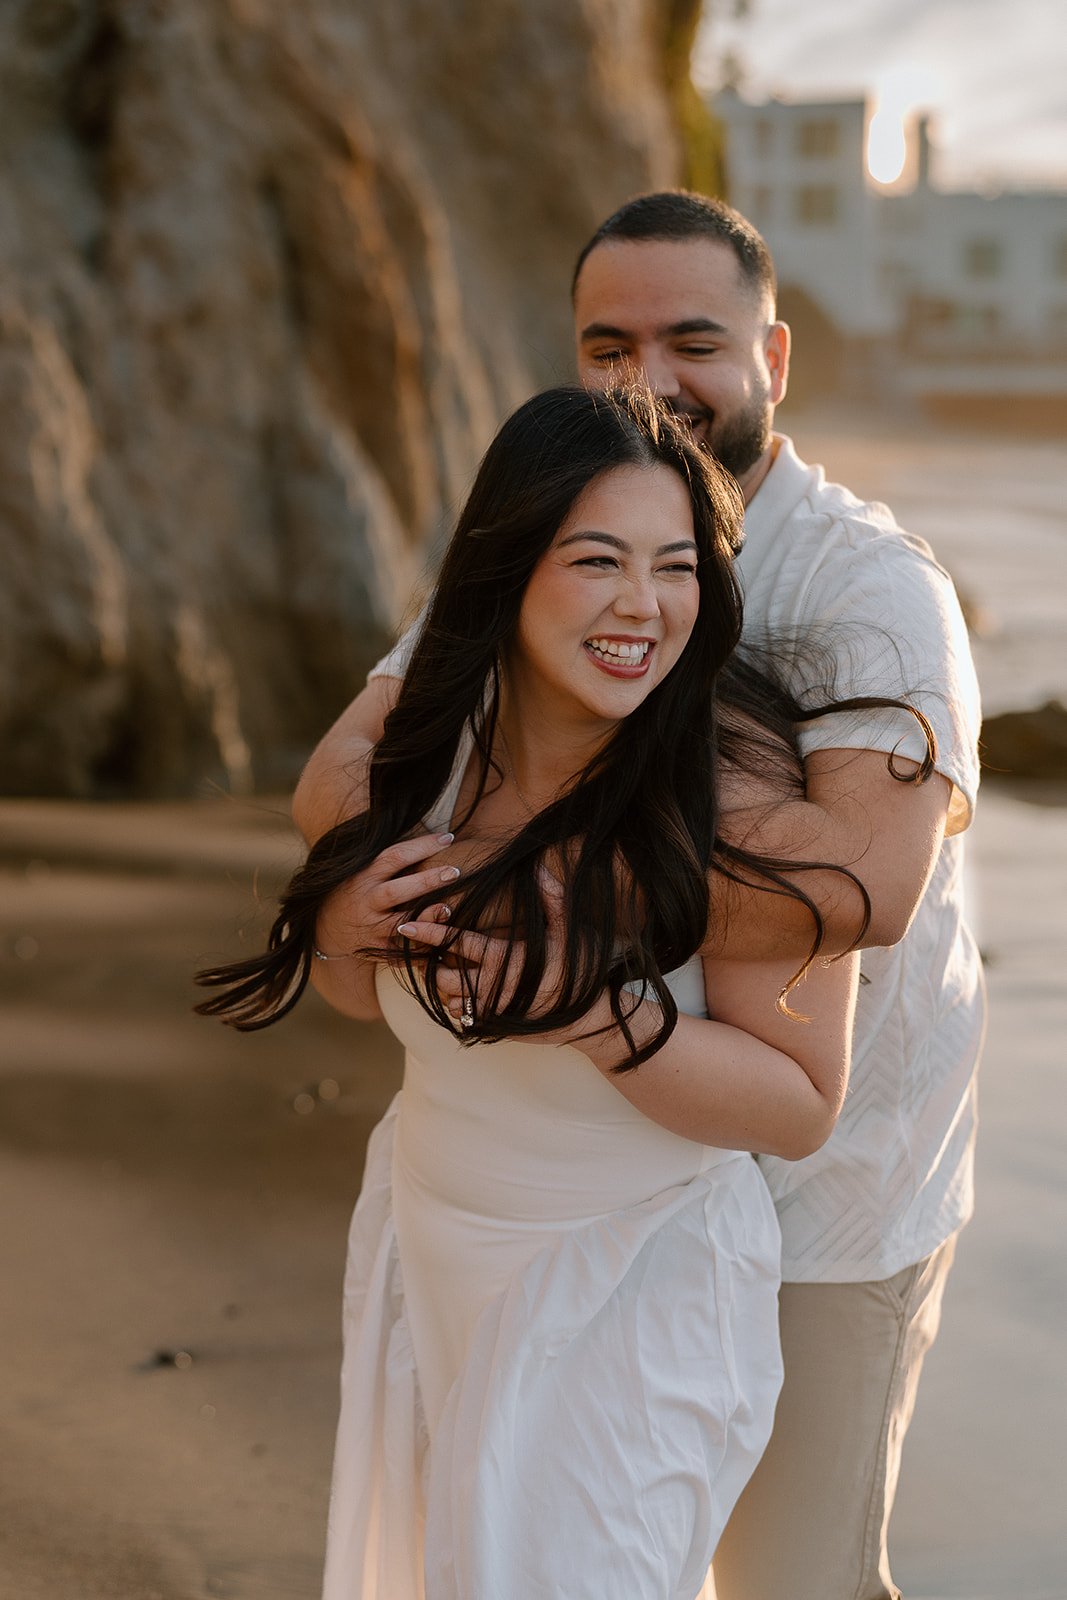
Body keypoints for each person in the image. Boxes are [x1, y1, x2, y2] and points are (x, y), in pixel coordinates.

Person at [295, 194, 983, 1600]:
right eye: (607, 344)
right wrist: (360, 904)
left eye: (691, 340)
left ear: (772, 358)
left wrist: (555, 918)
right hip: (546, 1187)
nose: (646, 379)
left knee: (789, 1580)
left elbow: (858, 884)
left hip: (837, 1186)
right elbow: (355, 768)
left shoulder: (864, 592)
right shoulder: (579, 513)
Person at [197, 383, 888, 1598]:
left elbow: (800, 1103)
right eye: (596, 560)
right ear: (508, 567)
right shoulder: (431, 749)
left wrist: (594, 1013)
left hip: (632, 1287)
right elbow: (371, 1007)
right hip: (436, 1247)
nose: (642, 605)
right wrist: (346, 923)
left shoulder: (727, 786)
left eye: (674, 566)